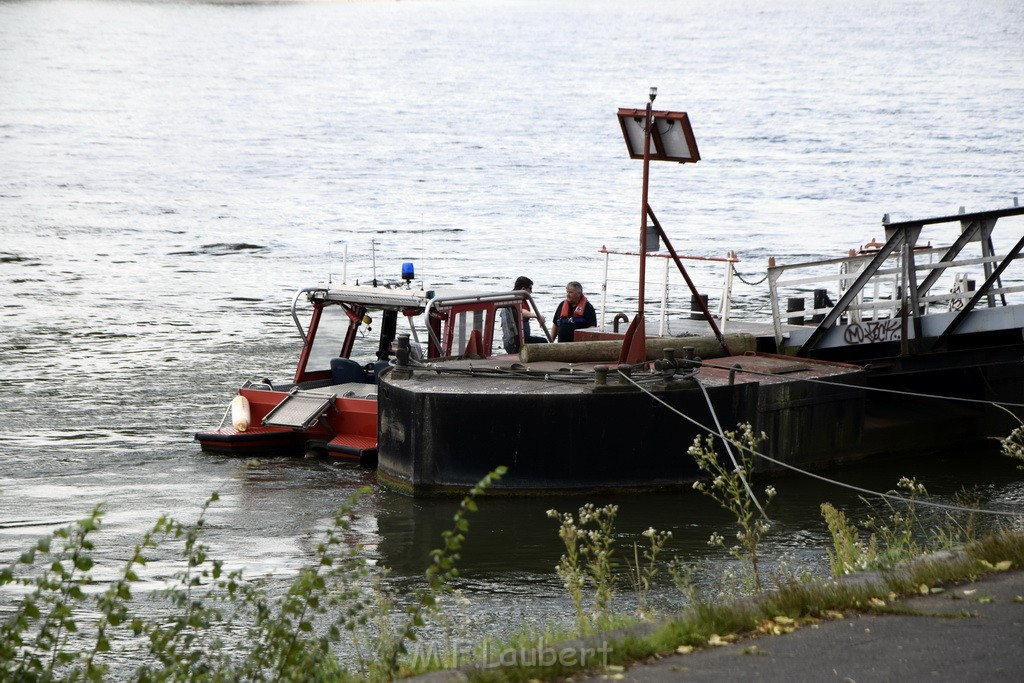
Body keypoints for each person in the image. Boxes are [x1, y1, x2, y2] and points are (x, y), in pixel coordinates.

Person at [500, 276, 547, 354]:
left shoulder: (519, 299)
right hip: (514, 342)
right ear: (523, 289)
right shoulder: (511, 300)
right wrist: (537, 316)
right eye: (530, 289)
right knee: (543, 342)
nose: (531, 292)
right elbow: (521, 311)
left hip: (522, 338)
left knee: (542, 341)